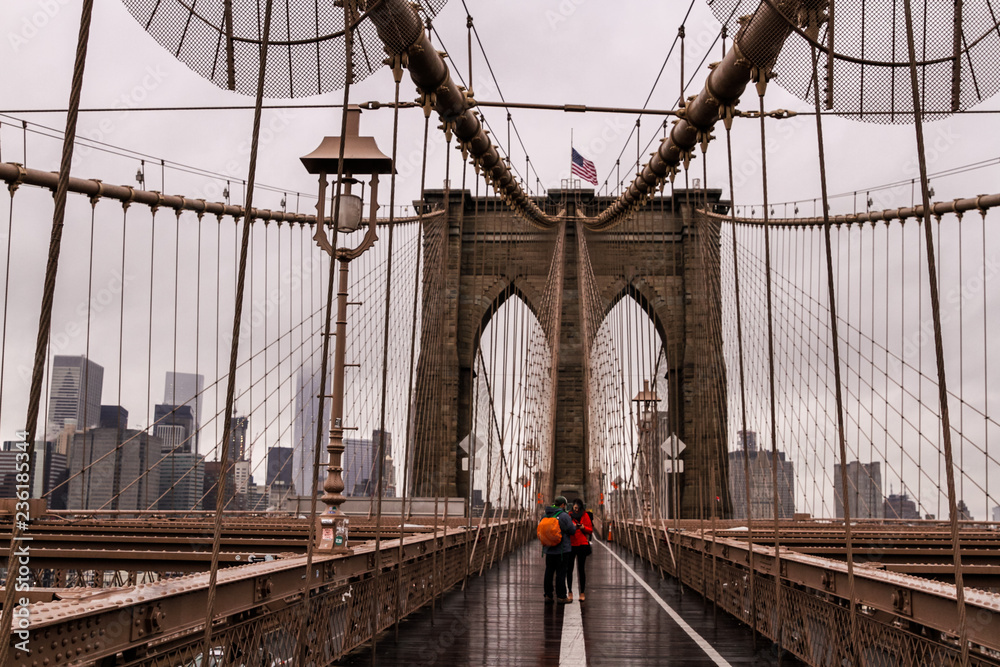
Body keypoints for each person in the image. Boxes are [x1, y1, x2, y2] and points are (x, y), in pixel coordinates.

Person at [541, 496, 576, 603]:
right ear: (563, 505)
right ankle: (561, 596)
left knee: (549, 572)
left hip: (548, 549)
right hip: (562, 550)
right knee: (561, 573)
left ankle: (548, 595)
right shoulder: (564, 515)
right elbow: (572, 530)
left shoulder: (545, 515)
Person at [565, 498, 593, 601]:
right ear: (572, 507)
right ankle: (570, 592)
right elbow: (565, 529)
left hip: (582, 544)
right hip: (571, 544)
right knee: (569, 569)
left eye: (578, 508)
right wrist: (572, 528)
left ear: (580, 507)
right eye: (575, 508)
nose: (576, 510)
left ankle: (582, 593)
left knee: (581, 569)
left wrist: (583, 528)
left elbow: (590, 530)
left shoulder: (585, 515)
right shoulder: (568, 515)